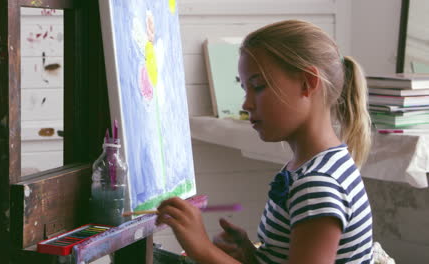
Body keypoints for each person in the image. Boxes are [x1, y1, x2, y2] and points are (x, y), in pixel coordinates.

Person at [156, 19, 373, 264]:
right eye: (245, 89)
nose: (246, 104)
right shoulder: (316, 166)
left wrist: (203, 249)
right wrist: (252, 255)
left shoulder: (317, 184)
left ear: (307, 83)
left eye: (258, 87)